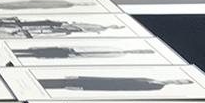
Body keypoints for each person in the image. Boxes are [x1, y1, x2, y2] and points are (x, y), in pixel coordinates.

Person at [0, 18, 126, 39]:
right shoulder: (100, 27)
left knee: (34, 30)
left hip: (64, 28)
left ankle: (13, 32)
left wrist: (72, 27)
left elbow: (82, 28)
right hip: (63, 26)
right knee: (30, 25)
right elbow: (81, 26)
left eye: (115, 26)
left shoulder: (100, 29)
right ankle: (4, 26)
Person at [40, 76, 194, 92]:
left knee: (61, 85)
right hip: (96, 80)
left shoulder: (157, 86)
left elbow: (125, 87)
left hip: (99, 86)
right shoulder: (151, 78)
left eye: (179, 82)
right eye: (179, 79)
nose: (176, 80)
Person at [16, 46, 155, 60]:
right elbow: (93, 48)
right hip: (72, 49)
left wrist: (77, 56)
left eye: (139, 52)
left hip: (74, 54)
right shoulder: (115, 48)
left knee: (45, 55)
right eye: (139, 49)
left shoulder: (119, 54)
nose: (137, 50)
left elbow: (94, 55)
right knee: (43, 51)